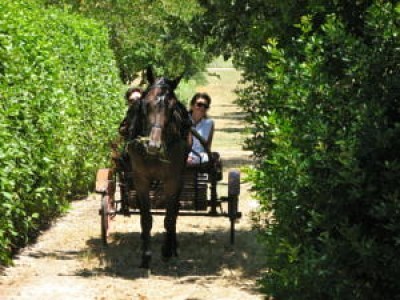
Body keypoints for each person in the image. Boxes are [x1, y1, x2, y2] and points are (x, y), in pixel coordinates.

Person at [187, 92, 215, 165]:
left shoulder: (209, 123)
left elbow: (208, 147)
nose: (202, 108)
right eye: (199, 104)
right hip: (182, 156)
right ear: (192, 106)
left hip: (200, 158)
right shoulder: (183, 120)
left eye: (205, 106)